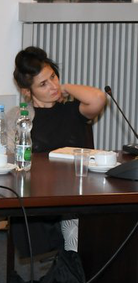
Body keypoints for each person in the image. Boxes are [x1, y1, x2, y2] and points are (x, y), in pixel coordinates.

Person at [8, 46, 106, 253]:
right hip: (39, 195)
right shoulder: (22, 118)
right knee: (74, 224)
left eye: (53, 76)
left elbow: (98, 98)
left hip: (77, 191)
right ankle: (71, 267)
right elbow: (8, 157)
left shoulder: (72, 111)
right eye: (43, 84)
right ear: (27, 92)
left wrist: (66, 88)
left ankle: (74, 266)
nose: (53, 86)